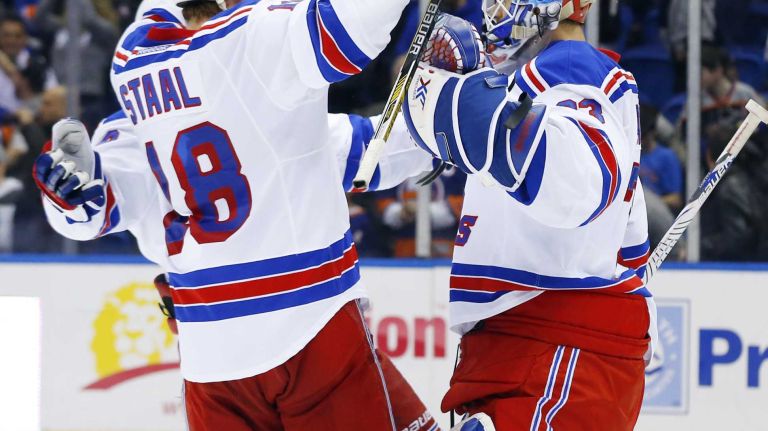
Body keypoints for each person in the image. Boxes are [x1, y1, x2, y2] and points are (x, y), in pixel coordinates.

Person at [35, 0, 440, 429]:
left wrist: (69, 198)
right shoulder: (255, 41)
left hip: (211, 353)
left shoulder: (135, 87)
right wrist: (449, 110)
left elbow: (92, 212)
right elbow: (355, 28)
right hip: (312, 325)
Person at [402, 1, 653, 429]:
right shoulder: (529, 83)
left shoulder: (569, 67)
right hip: (529, 341)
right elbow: (627, 241)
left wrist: (449, 102)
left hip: (553, 341)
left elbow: (581, 182)